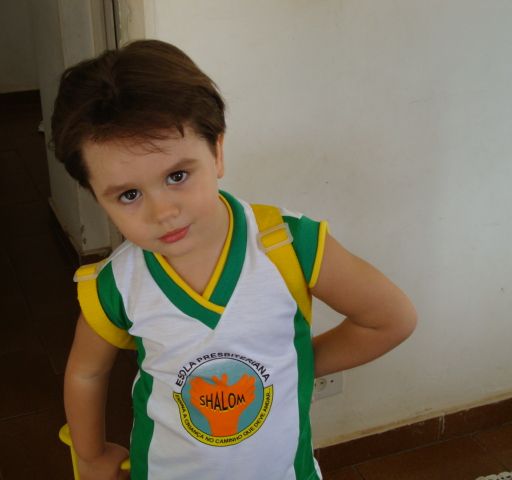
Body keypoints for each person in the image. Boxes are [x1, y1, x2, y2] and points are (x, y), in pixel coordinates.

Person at [51, 39, 417, 480]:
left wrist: (297, 361)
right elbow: (86, 373)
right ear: (97, 196)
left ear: (217, 152)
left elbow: (390, 319)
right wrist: (90, 455)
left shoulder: (288, 246)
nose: (162, 212)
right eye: (129, 195)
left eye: (177, 175)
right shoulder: (117, 283)